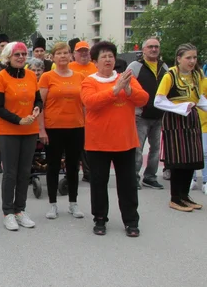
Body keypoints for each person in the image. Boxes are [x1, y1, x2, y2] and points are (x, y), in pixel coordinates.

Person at [81, 41, 148, 237]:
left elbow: (143, 99)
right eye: (104, 56)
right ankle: (100, 219)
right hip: (98, 142)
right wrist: (114, 90)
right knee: (99, 182)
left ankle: (131, 221)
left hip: (125, 141)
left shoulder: (126, 78)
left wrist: (128, 90)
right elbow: (90, 103)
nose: (108, 59)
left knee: (127, 183)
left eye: (111, 56)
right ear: (95, 61)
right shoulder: (89, 81)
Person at [0, 42, 41, 231]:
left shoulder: (30, 75)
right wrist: (18, 120)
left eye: (23, 54)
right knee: (10, 173)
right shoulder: (1, 77)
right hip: (9, 131)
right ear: (8, 57)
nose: (21, 57)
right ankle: (8, 213)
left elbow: (37, 98)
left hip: (30, 130)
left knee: (24, 172)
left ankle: (20, 210)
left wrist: (38, 108)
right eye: (16, 54)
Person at [154, 43, 207, 212]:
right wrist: (181, 107)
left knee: (192, 159)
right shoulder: (170, 75)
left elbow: (199, 99)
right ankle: (175, 198)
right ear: (179, 59)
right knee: (179, 160)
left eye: (194, 57)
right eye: (188, 58)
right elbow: (159, 100)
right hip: (175, 121)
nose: (192, 61)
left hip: (192, 119)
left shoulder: (197, 75)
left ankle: (185, 196)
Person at [38, 42, 86, 220]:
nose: (63, 56)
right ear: (53, 57)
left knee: (73, 167)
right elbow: (40, 105)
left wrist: (87, 125)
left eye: (66, 53)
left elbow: (85, 104)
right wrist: (41, 129)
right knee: (53, 166)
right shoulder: (47, 77)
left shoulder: (80, 77)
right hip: (53, 128)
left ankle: (73, 203)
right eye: (59, 53)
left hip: (76, 127)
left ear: (71, 56)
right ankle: (52, 204)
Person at [128, 37, 168, 190]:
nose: (153, 49)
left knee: (156, 149)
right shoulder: (135, 66)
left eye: (156, 47)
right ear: (143, 49)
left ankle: (150, 177)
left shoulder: (164, 67)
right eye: (150, 46)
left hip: (159, 116)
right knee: (137, 149)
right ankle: (133, 178)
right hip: (140, 115)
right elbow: (126, 86)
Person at [69, 40, 97, 183]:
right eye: (80, 51)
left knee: (89, 143)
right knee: (75, 144)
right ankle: (72, 171)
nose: (84, 54)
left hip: (91, 109)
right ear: (74, 54)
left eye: (86, 51)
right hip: (74, 109)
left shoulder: (95, 67)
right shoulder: (69, 67)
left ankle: (89, 172)